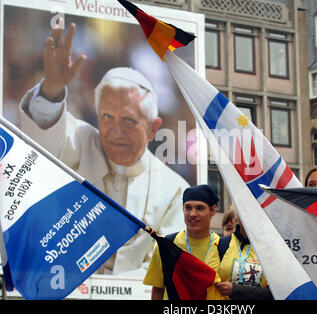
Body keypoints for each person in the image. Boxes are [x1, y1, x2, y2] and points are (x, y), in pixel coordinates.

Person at [18, 23, 190, 274]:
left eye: (129, 120)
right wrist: (52, 91)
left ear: (153, 129)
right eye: (107, 117)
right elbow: (44, 138)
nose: (116, 131)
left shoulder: (175, 191)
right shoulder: (82, 140)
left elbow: (165, 269)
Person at [143, 184, 221, 300]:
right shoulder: (166, 245)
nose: (192, 214)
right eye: (188, 207)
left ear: (213, 210)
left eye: (200, 208)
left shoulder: (223, 246)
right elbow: (158, 289)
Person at [213, 216, 273, 300]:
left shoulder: (272, 248)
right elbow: (213, 285)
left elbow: (275, 294)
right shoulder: (222, 244)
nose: (248, 214)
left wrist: (235, 290)